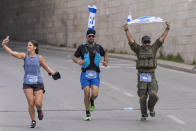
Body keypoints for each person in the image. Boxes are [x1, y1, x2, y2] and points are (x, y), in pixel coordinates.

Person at [1, 38, 61, 128]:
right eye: (28, 45)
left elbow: (45, 67)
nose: (28, 46)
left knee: (38, 103)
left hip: (38, 83)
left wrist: (53, 72)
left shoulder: (39, 57)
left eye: (30, 45)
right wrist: (4, 45)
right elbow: (13, 53)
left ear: (35, 47)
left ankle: (39, 110)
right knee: (31, 103)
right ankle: (33, 120)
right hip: (27, 83)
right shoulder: (24, 56)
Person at [123, 21, 170, 121]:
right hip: (142, 77)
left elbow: (161, 39)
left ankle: (151, 107)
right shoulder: (138, 49)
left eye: (148, 42)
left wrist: (167, 28)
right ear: (142, 43)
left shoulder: (153, 48)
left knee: (153, 95)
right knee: (142, 97)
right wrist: (126, 29)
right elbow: (131, 41)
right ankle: (144, 114)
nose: (147, 44)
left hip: (151, 76)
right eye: (145, 42)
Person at [72, 29, 108, 121]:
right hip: (85, 74)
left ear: (94, 37)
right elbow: (74, 57)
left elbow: (105, 54)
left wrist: (105, 61)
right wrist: (78, 61)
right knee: (87, 92)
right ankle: (87, 113)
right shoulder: (82, 47)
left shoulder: (98, 47)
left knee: (95, 94)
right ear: (86, 37)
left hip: (95, 74)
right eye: (89, 36)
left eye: (93, 36)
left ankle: (92, 100)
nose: (91, 37)